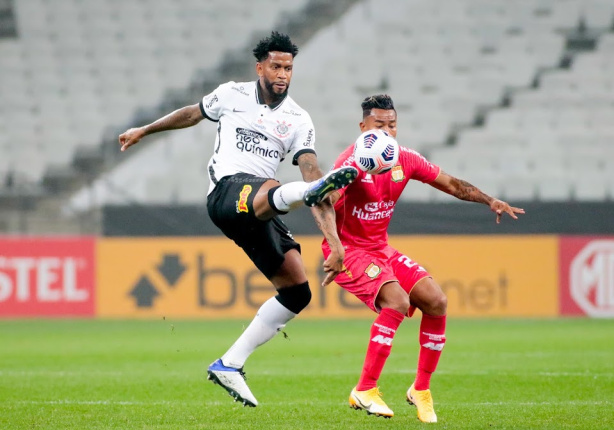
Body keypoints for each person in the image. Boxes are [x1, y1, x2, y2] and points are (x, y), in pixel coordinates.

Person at [118, 31, 358, 407]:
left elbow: (310, 168)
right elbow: (192, 113)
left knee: (298, 291)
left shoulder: (298, 119)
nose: (283, 74)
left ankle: (229, 364)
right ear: (260, 66)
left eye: (289, 68)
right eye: (276, 66)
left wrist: (337, 244)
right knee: (280, 188)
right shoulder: (232, 94)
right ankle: (298, 192)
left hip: (263, 207)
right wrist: (145, 130)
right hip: (227, 193)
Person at [322, 94, 525, 423]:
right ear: (363, 128)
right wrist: (335, 245)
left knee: (436, 301)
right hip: (350, 250)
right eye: (379, 125)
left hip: (380, 249)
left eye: (392, 125)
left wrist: (489, 200)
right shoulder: (350, 164)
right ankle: (365, 388)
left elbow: (451, 184)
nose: (387, 132)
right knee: (397, 301)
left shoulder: (404, 159)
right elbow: (326, 203)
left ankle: (420, 389)